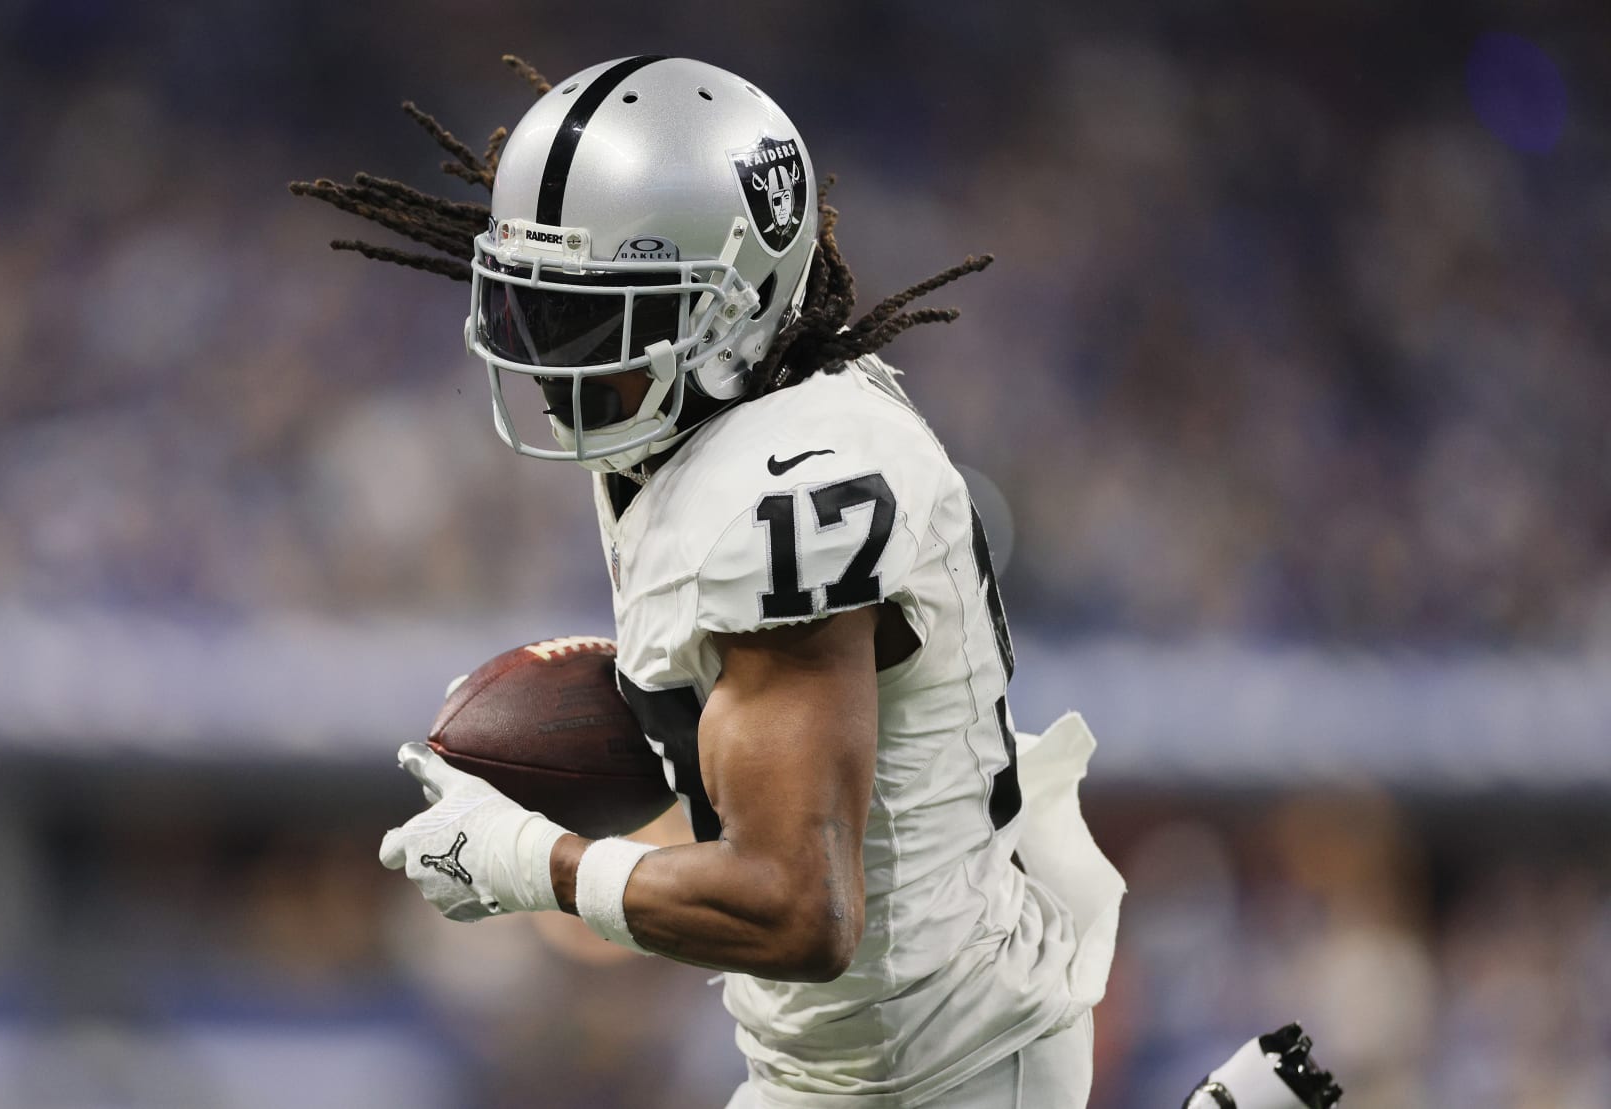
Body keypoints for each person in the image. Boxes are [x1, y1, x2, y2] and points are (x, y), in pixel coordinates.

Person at [294, 55, 1336, 1109]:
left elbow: (799, 909)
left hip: (934, 1073)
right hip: (848, 1063)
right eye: (535, 310)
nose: (554, 363)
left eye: (594, 318)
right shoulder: (723, 422)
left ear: (734, 306)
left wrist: (539, 863)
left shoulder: (790, 492)